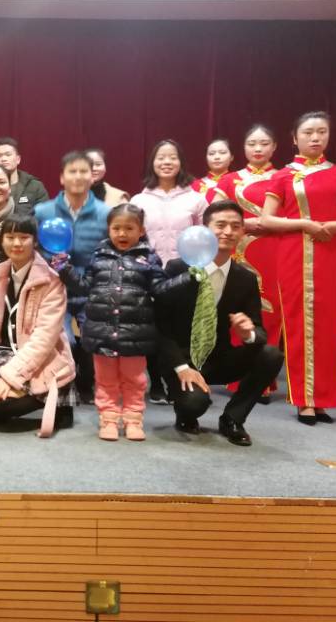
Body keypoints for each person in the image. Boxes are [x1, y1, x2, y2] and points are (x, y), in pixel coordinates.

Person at [155, 200, 284, 446]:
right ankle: (185, 412)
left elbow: (259, 332)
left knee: (271, 354)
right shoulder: (178, 268)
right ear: (204, 229)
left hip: (219, 357)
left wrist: (248, 334)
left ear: (243, 232)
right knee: (194, 404)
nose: (228, 232)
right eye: (221, 225)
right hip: (181, 359)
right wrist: (181, 367)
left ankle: (233, 418)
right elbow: (160, 326)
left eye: (235, 226)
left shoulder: (245, 279)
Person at [56, 204, 187, 441]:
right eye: (116, 228)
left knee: (135, 381)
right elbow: (85, 286)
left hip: (134, 335)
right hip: (101, 333)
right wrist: (65, 270)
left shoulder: (149, 258)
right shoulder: (99, 256)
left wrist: (187, 279)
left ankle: (133, 419)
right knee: (105, 381)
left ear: (141, 230)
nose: (122, 233)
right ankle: (108, 419)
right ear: (108, 229)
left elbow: (160, 289)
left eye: (129, 228)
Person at [261, 111, 336, 425]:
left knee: (331, 326)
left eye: (321, 131)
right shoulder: (283, 175)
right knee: (297, 324)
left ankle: (323, 398)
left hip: (334, 253)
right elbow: (267, 219)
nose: (315, 137)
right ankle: (304, 399)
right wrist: (305, 224)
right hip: (294, 252)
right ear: (294, 138)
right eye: (308, 132)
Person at [0, 216, 76, 437]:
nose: (16, 243)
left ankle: (60, 403)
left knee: (1, 406)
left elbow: (44, 339)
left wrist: (9, 377)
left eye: (24, 237)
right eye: (10, 237)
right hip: (8, 350)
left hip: (43, 356)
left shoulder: (52, 280)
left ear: (35, 241)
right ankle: (17, 391)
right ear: (1, 240)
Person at [131, 139, 207, 403]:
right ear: (153, 163)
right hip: (149, 272)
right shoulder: (139, 199)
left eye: (172, 157)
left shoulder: (196, 199)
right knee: (152, 326)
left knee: (178, 328)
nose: (166, 162)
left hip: (184, 273)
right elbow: (134, 238)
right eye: (161, 157)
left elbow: (205, 235)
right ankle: (155, 383)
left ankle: (176, 380)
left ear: (181, 162)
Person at [34, 151, 110, 405]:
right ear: (62, 177)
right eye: (72, 171)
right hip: (54, 289)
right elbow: (34, 250)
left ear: (92, 176)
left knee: (92, 340)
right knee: (64, 340)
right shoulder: (43, 211)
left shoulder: (106, 213)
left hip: (92, 289)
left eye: (83, 171)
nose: (78, 176)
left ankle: (86, 384)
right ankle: (62, 386)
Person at [213, 124, 282, 402]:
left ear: (274, 147)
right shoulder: (230, 180)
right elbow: (214, 211)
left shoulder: (283, 177)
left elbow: (289, 217)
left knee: (269, 313)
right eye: (252, 143)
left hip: (272, 251)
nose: (258, 149)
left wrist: (268, 223)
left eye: (264, 143)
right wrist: (243, 224)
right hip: (234, 249)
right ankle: (235, 376)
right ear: (243, 148)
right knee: (234, 310)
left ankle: (262, 379)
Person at [0, 137, 49, 216]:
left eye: (8, 155)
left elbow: (44, 216)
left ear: (18, 159)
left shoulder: (35, 186)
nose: (4, 159)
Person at [192, 139, 234, 203]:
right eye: (211, 154)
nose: (217, 157)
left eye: (222, 153)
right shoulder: (196, 185)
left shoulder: (239, 182)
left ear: (231, 157)